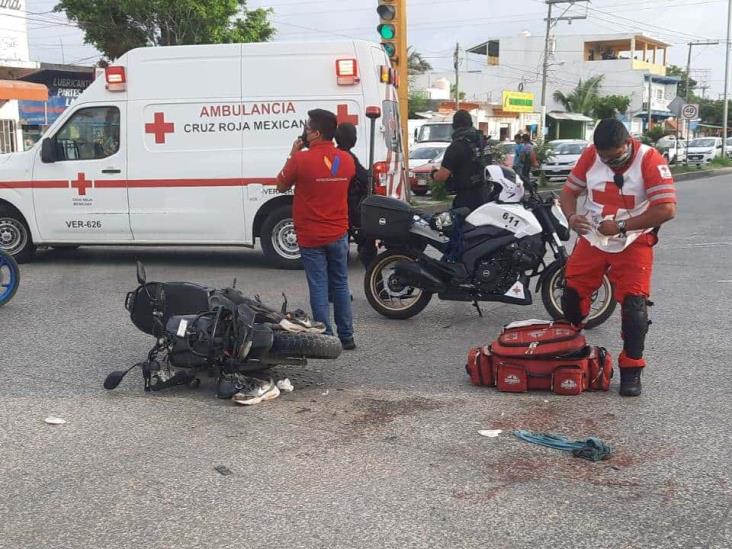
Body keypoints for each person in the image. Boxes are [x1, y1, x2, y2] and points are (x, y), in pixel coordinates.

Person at [560, 118, 677, 396]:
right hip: (593, 235)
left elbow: (667, 209)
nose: (609, 163)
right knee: (572, 296)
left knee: (634, 307)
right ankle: (571, 352)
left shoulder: (649, 159)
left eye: (614, 157)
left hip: (633, 238)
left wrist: (622, 226)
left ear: (628, 143)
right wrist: (571, 216)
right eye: (604, 157)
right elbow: (569, 192)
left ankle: (631, 370)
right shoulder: (591, 155)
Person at [276, 109, 357, 350]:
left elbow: (280, 185)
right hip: (338, 232)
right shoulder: (347, 160)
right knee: (341, 284)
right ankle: (347, 336)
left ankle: (327, 336)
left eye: (307, 127)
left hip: (311, 235)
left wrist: (292, 154)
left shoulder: (301, 160)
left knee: (319, 285)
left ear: (316, 133)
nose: (305, 130)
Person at [334, 122, 377, 269]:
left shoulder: (337, 155)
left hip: (341, 208)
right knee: (368, 248)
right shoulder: (347, 157)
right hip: (352, 209)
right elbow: (363, 177)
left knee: (340, 254)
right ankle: (376, 285)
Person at [432, 110, 491, 211]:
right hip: (485, 194)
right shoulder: (483, 141)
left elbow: (442, 176)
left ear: (454, 126)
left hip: (466, 199)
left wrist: (433, 174)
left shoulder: (457, 145)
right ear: (471, 123)